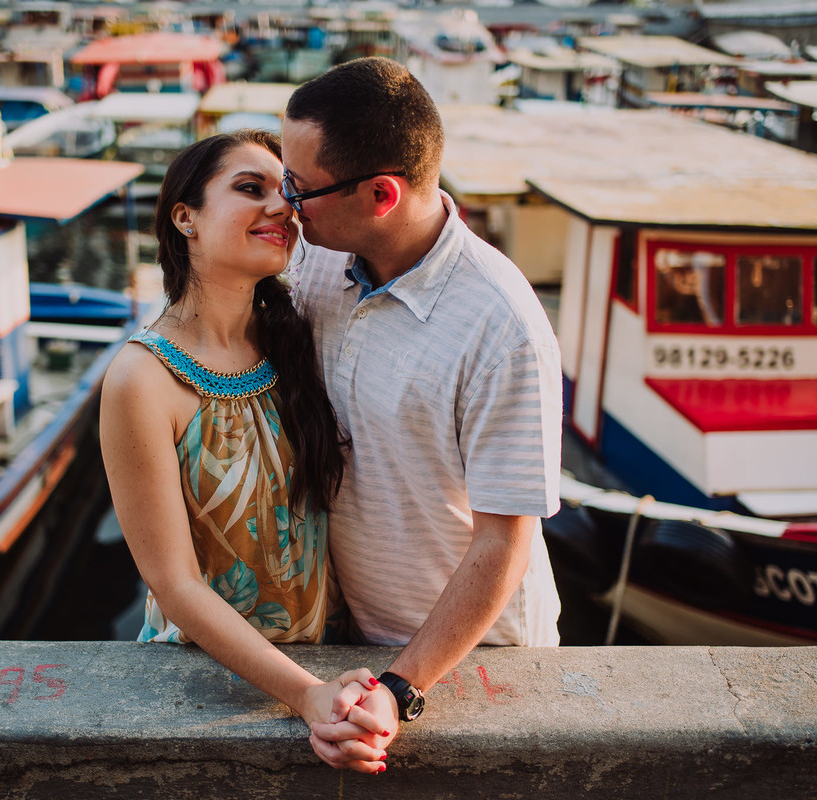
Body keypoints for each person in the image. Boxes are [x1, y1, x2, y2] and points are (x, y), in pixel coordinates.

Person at [280, 57, 564, 768]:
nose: (286, 204)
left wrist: (403, 686)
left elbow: (504, 543)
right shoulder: (315, 259)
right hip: (350, 641)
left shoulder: (502, 327)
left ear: (380, 194)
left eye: (299, 187)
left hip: (467, 659)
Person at [99, 130, 390, 774]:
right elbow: (173, 585)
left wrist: (330, 687)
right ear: (186, 217)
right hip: (211, 688)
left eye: (284, 191)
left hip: (326, 668)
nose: (281, 207)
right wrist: (305, 694)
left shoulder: (291, 340)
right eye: (249, 189)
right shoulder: (142, 379)